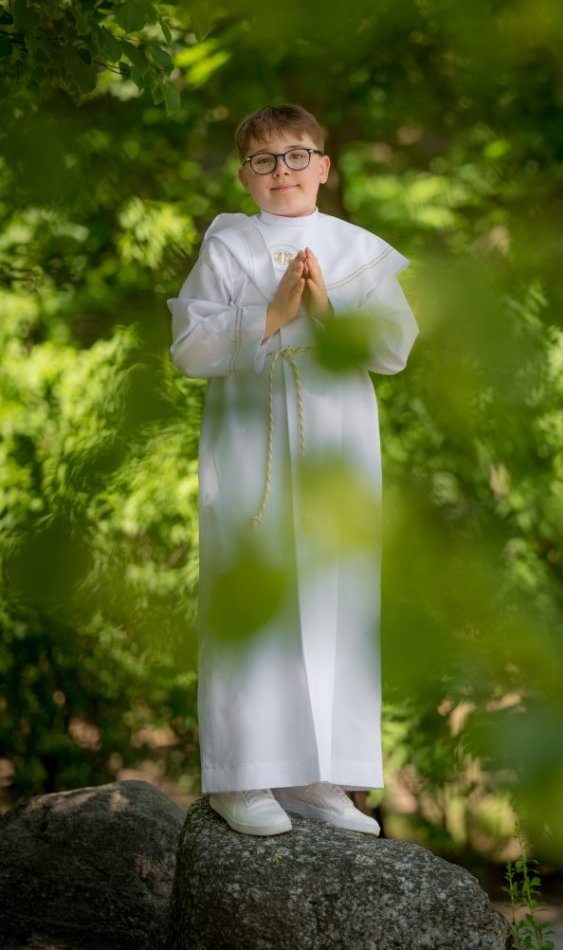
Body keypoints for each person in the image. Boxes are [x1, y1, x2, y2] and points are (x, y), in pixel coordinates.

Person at [167, 104, 418, 837]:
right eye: (265, 160)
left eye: (297, 156)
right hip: (254, 447)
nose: (283, 171)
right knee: (255, 591)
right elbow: (189, 349)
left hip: (338, 447)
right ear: (245, 175)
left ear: (324, 167)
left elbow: (394, 349)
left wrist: (328, 307)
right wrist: (271, 315)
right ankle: (242, 776)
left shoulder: (358, 250)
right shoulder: (228, 245)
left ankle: (318, 775)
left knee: (337, 595)